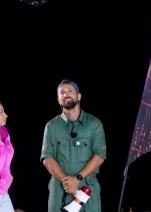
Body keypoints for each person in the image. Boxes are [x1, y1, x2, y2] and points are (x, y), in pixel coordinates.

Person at [41, 80, 106, 212]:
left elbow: (99, 155)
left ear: (79, 96)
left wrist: (77, 179)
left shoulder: (94, 123)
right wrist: (67, 182)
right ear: (58, 100)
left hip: (87, 191)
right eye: (62, 92)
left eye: (70, 91)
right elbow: (47, 158)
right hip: (59, 192)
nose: (66, 94)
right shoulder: (51, 126)